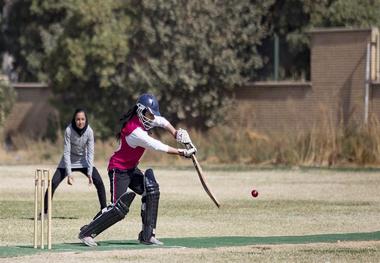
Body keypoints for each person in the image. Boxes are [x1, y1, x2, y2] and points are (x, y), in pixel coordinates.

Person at [78, 93, 196, 247]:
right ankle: (87, 232)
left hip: (131, 168)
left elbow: (162, 121)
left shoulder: (146, 120)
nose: (151, 118)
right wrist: (183, 152)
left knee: (151, 191)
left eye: (152, 114)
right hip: (118, 169)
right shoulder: (134, 131)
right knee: (117, 209)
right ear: (140, 111)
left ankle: (147, 236)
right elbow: (156, 146)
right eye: (148, 114)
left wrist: (176, 133)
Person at [43, 109, 107, 216]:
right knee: (53, 183)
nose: (80, 122)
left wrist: (90, 173)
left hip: (84, 161)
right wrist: (69, 173)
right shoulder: (69, 130)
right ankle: (45, 211)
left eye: (82, 119)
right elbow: (66, 153)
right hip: (67, 161)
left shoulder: (89, 132)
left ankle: (104, 211)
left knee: (99, 182)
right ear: (74, 120)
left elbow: (91, 153)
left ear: (86, 120)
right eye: (78, 119)